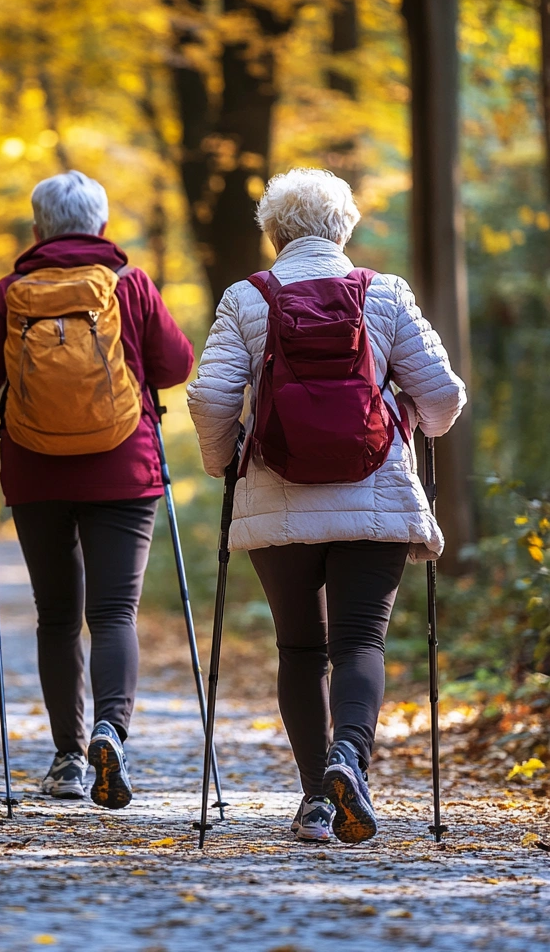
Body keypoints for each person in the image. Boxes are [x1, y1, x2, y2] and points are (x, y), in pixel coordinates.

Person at [187, 168, 467, 844]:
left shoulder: (246, 298)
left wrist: (222, 461)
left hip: (277, 496)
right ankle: (351, 759)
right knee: (359, 640)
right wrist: (416, 424)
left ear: (274, 233)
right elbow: (444, 393)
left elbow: (209, 398)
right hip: (373, 491)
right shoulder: (386, 293)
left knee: (300, 648)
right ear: (344, 227)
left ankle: (317, 800)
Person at [0, 170, 194, 809]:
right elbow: (176, 365)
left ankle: (66, 759)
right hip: (124, 467)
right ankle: (110, 731)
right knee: (114, 613)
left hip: (36, 472)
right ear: (101, 226)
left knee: (58, 615)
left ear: (38, 229)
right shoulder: (130, 285)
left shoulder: (11, 292)